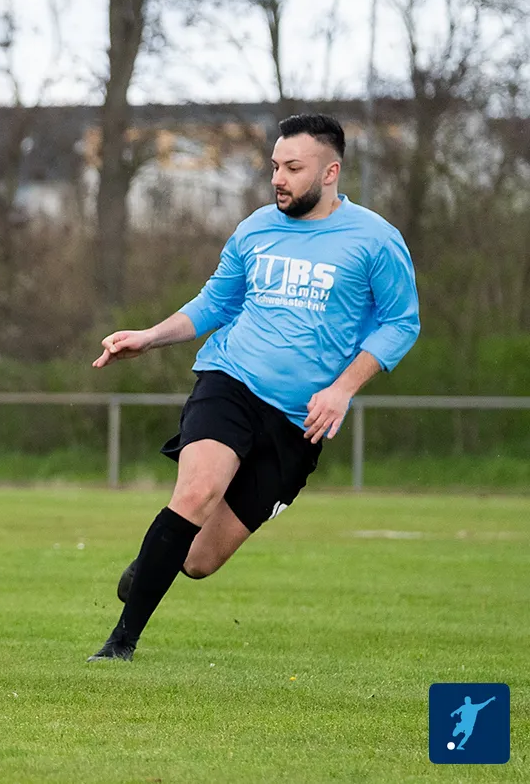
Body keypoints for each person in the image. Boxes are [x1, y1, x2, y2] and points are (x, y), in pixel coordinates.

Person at [87, 113, 420, 662]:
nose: (278, 179)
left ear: (330, 172)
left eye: (293, 168)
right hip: (231, 380)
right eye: (275, 166)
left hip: (297, 423)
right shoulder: (256, 228)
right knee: (195, 492)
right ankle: (120, 642)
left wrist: (343, 388)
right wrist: (149, 337)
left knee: (198, 561)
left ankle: (153, 563)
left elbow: (401, 323)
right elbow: (215, 303)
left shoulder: (376, 240)